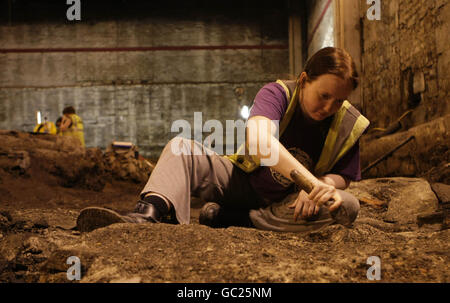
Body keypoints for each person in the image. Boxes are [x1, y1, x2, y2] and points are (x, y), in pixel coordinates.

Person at [76, 47, 369, 233]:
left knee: (348, 206)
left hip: (290, 203)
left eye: (339, 100)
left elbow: (344, 176)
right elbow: (260, 143)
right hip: (242, 182)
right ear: (304, 80)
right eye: (324, 95)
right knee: (181, 148)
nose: (329, 107)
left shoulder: (348, 122)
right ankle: (149, 214)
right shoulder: (277, 93)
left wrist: (321, 188)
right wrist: (310, 180)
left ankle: (239, 219)